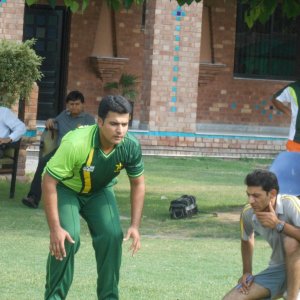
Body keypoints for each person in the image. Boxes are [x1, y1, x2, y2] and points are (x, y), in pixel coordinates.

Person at [41, 95, 145, 299]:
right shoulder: (76, 143)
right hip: (66, 189)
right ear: (100, 121)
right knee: (68, 237)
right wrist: (55, 229)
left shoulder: (130, 146)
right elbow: (48, 181)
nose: (120, 130)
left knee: (112, 236)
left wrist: (134, 225)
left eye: (125, 124)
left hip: (99, 191)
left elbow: (138, 183)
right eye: (114, 124)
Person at [222, 169, 300, 300]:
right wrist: (247, 271)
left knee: (291, 242)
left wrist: (278, 225)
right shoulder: (248, 213)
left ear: (272, 193)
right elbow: (246, 239)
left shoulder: (291, 204)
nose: (250, 200)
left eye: (256, 196)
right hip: (280, 270)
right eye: (248, 195)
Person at [22, 90, 95, 209]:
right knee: (43, 162)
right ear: (67, 105)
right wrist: (50, 120)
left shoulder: (89, 119)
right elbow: (53, 121)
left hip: (81, 153)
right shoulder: (63, 115)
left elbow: (93, 138)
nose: (74, 107)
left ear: (83, 104)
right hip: (61, 151)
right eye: (71, 104)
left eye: (77, 104)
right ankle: (33, 198)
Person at [272, 81, 300, 151]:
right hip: (296, 140)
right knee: (293, 161)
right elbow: (276, 99)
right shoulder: (294, 87)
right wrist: (289, 112)